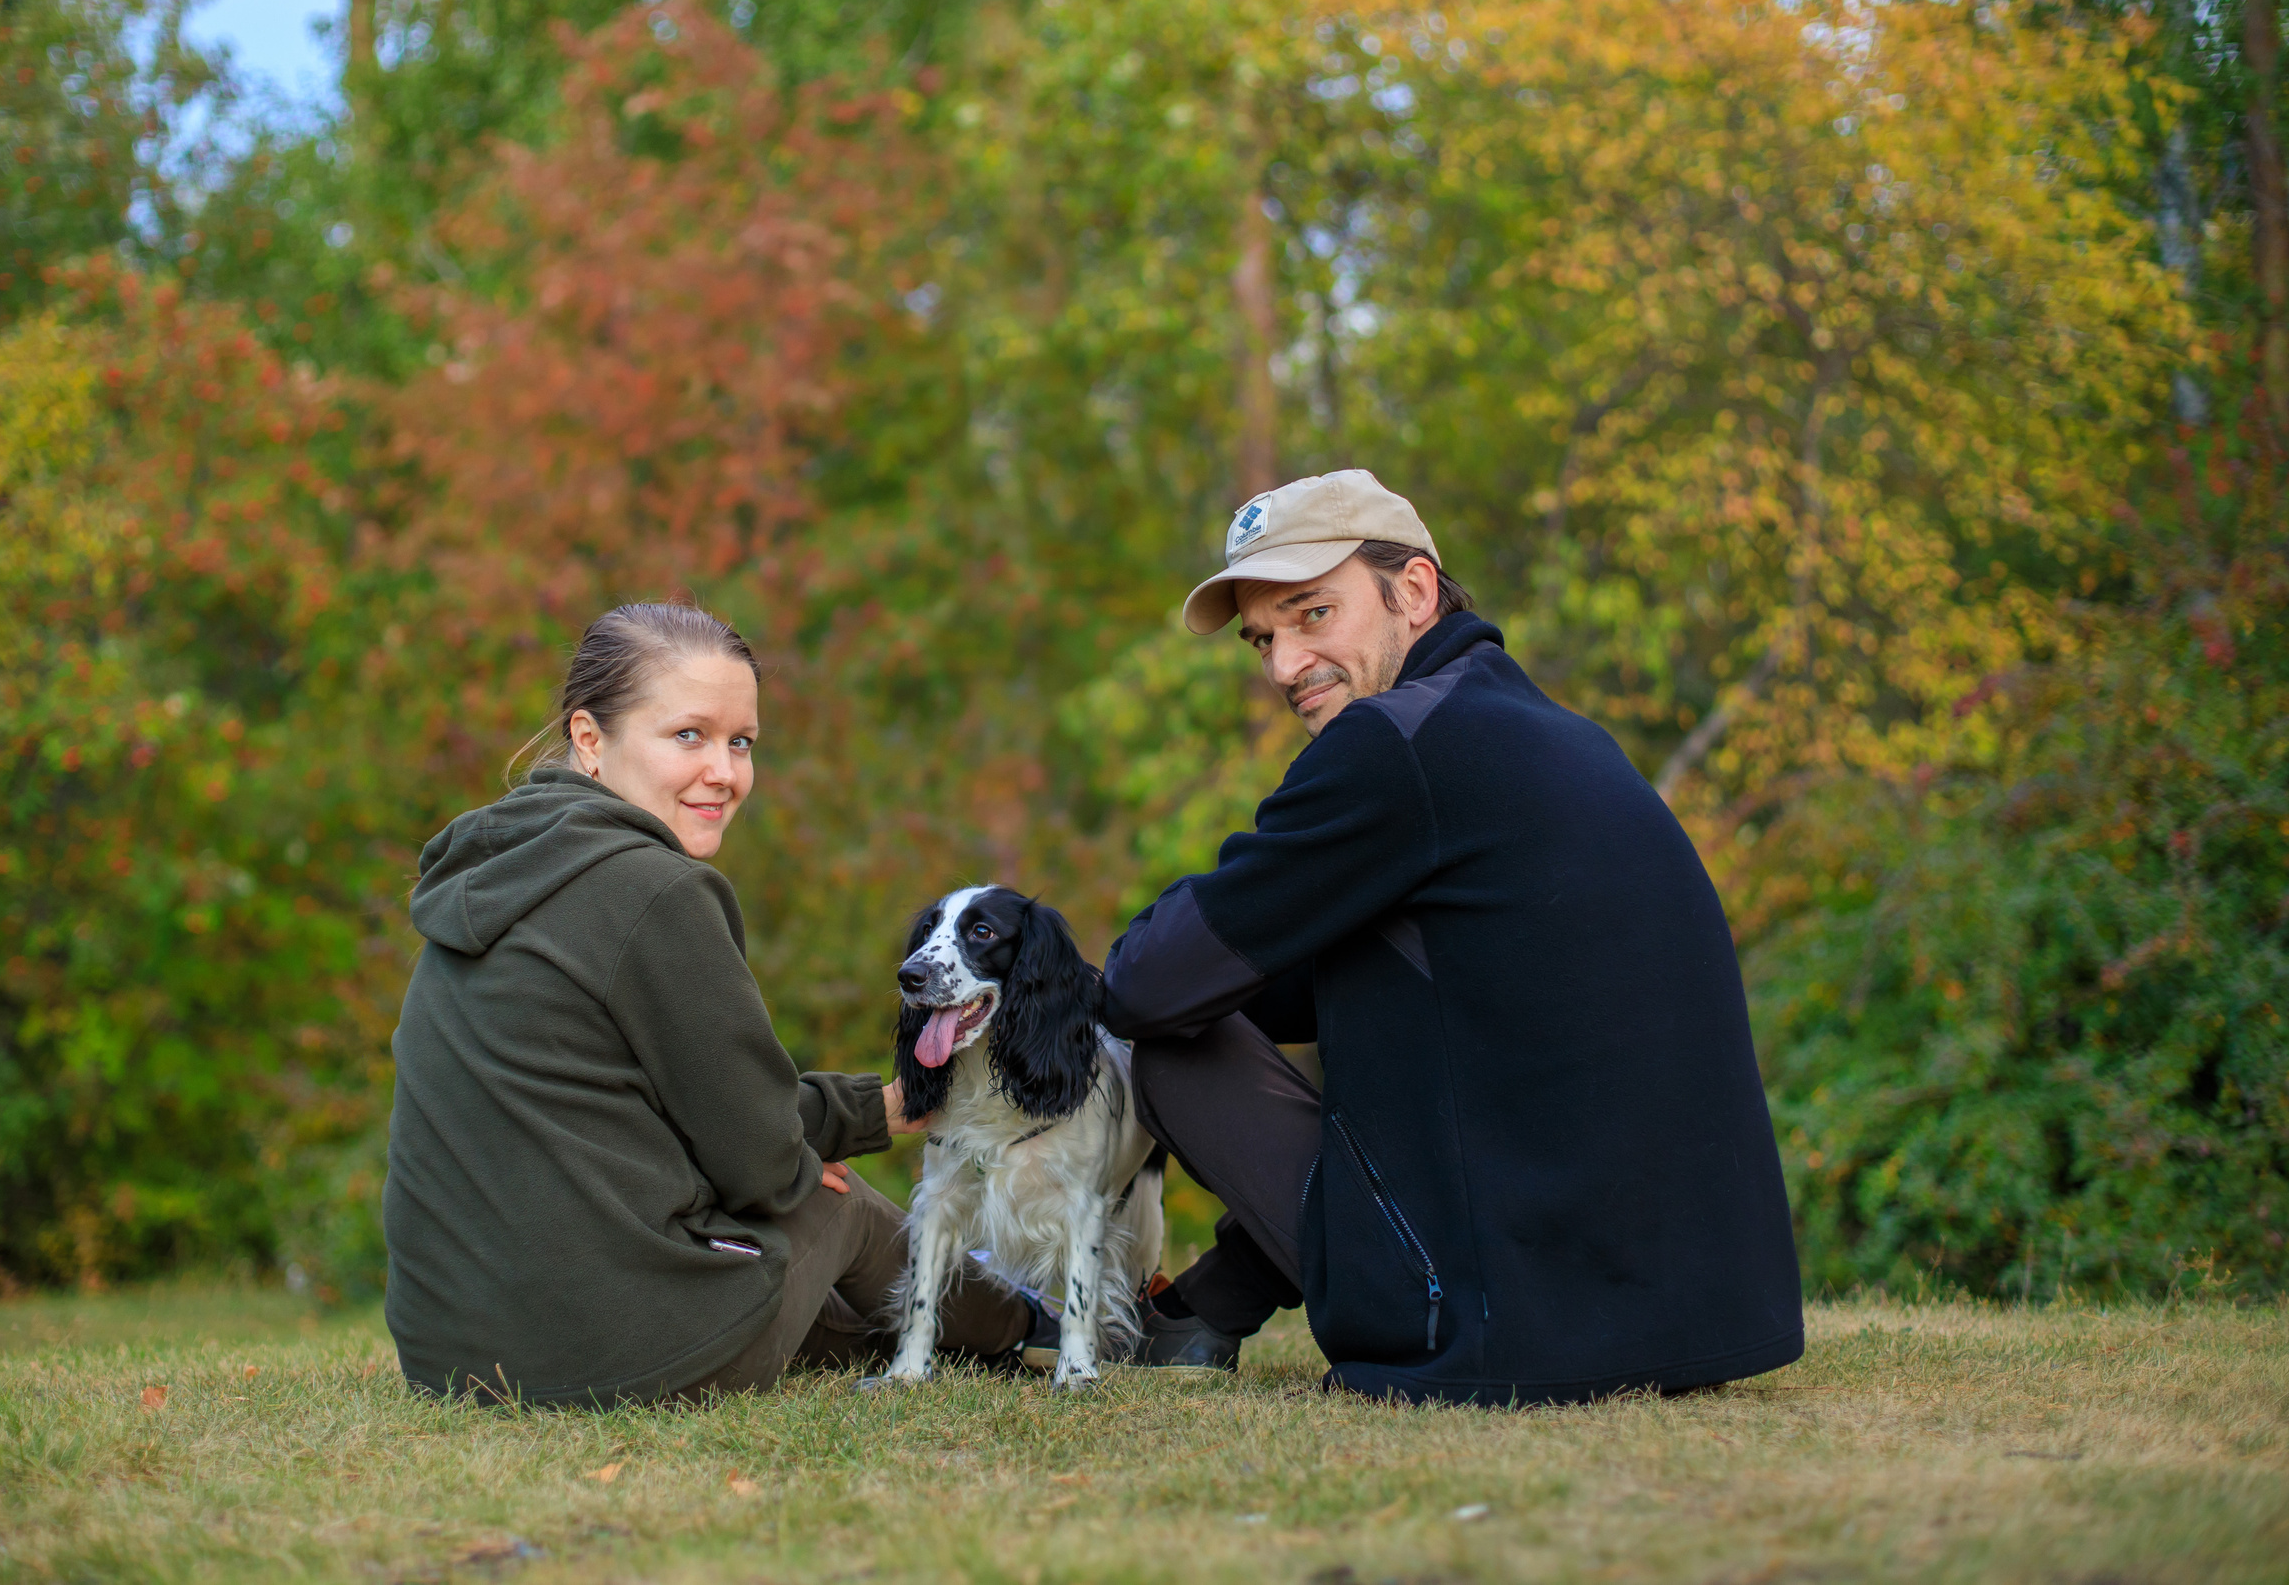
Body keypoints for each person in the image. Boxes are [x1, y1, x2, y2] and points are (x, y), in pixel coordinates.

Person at [1102, 470, 1804, 1404]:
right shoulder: (1558, 739)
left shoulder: (1392, 744)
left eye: (1314, 613)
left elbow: (1147, 984)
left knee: (1174, 1045)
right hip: (1694, 1318)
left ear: (1416, 590)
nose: (1282, 666)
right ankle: (1201, 1311)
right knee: (1353, 987)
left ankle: (1193, 1312)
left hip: (1504, 1334)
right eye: (1263, 639)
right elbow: (1306, 982)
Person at [382, 603, 1035, 1404]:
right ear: (591, 738)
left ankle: (954, 1334)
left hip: (450, 1353)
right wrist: (807, 1161)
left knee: (815, 1245)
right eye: (688, 735)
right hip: (606, 1353)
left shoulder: (497, 873)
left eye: (741, 742)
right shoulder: (659, 892)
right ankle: (1034, 1330)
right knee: (836, 1208)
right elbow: (758, 1161)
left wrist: (876, 1107)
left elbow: (688, 1107)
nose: (724, 771)